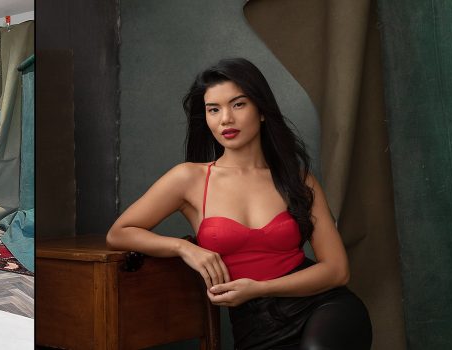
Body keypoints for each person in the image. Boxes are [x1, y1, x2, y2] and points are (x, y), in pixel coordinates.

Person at [106, 58, 372, 349]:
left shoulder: (298, 180)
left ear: (261, 111)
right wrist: (185, 248)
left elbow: (337, 270)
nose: (225, 120)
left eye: (238, 104)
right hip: (254, 328)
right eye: (213, 109)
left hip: (322, 309)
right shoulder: (189, 179)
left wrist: (259, 288)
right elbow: (120, 232)